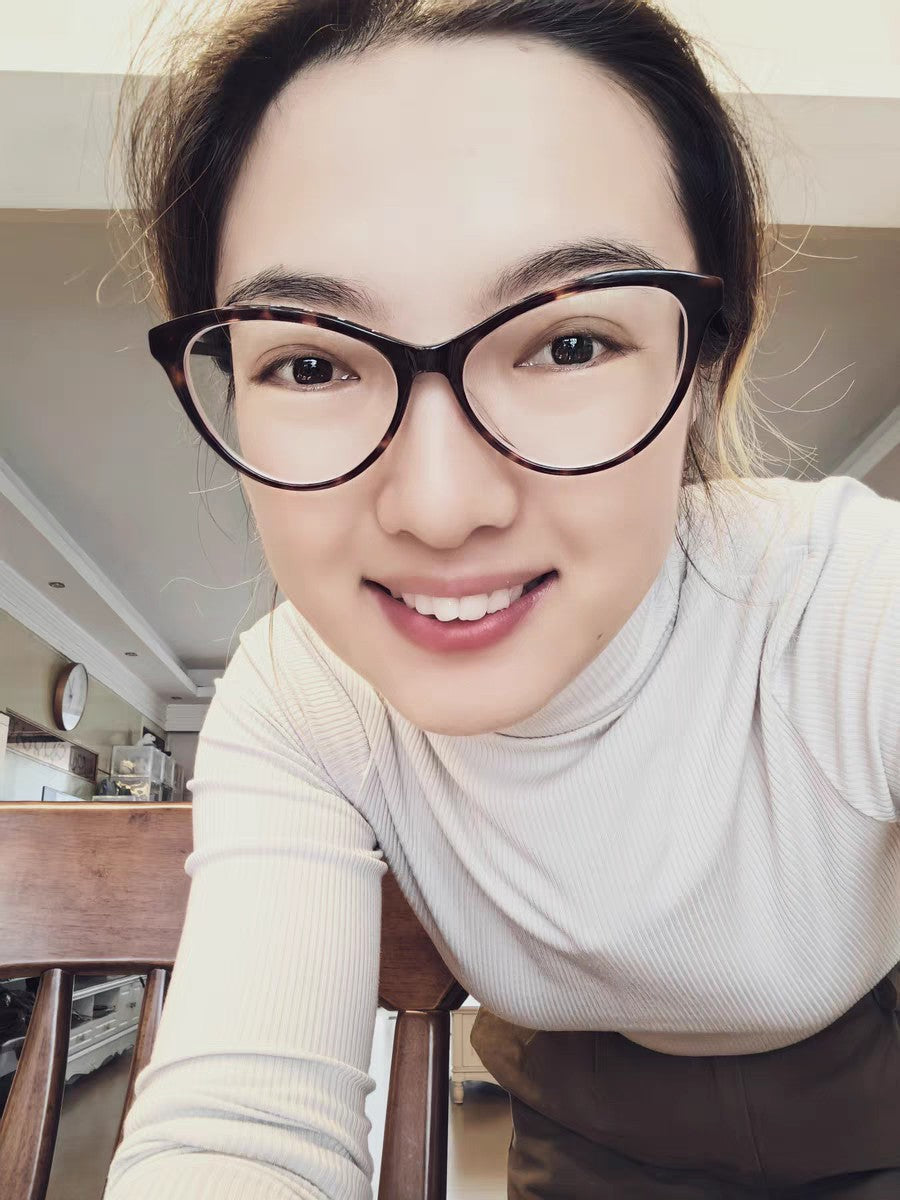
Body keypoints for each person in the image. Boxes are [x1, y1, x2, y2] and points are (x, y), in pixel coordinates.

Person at [103, 1, 900, 1196]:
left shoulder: (854, 603)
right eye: (310, 363)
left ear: (702, 362)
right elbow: (239, 1131)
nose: (438, 506)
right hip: (579, 1117)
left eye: (570, 344)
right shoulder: (301, 696)